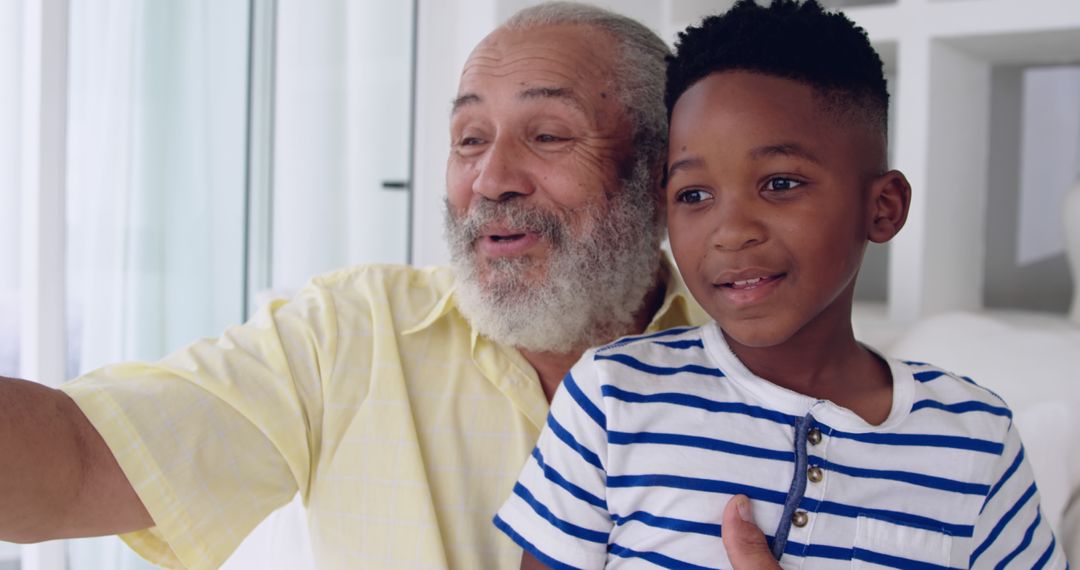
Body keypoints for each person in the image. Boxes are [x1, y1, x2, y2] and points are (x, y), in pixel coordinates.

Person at [0, 3, 736, 569]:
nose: (490, 179)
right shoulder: (349, 331)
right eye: (470, 140)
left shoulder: (756, 374)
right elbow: (78, 464)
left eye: (547, 135)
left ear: (656, 171)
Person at [494, 1, 1069, 568]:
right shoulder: (612, 397)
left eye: (780, 183)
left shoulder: (976, 440)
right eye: (693, 195)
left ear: (883, 207)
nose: (731, 232)